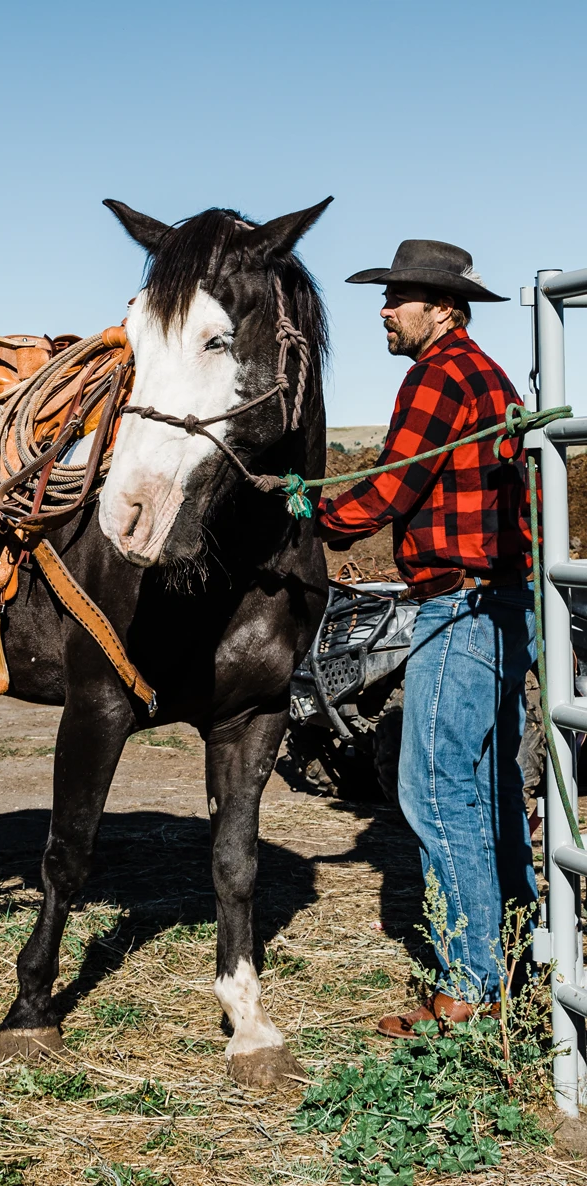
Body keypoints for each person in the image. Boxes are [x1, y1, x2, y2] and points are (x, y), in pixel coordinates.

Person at [317, 240, 537, 1037]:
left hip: (462, 602)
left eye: (397, 298)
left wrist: (312, 518)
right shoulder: (488, 373)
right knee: (491, 786)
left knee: (435, 788)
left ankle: (470, 985)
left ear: (442, 308)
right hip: (505, 602)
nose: (384, 310)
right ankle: (519, 953)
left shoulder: (437, 374)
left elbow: (388, 487)